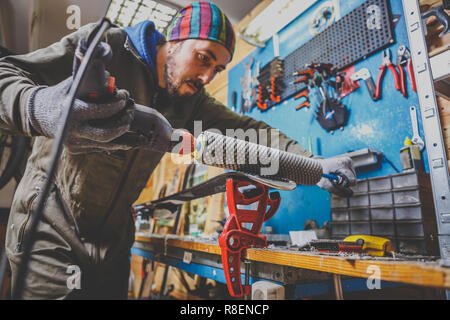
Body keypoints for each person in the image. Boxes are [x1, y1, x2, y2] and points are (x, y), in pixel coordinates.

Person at [0, 2, 355, 299]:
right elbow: (6, 74)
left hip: (113, 238)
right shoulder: (107, 47)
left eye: (217, 69)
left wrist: (314, 165)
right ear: (174, 40)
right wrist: (40, 107)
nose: (206, 77)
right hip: (50, 226)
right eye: (203, 58)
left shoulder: (192, 101)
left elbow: (251, 133)